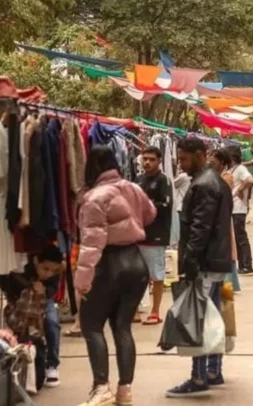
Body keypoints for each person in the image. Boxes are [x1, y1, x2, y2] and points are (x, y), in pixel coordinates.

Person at [74, 145, 157, 406]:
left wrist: (81, 282)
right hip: (135, 262)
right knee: (122, 327)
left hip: (108, 264)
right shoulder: (132, 188)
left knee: (91, 325)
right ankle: (124, 390)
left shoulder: (94, 198)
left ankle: (101, 388)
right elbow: (151, 213)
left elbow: (91, 244)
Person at [167, 137, 233, 398]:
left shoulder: (204, 184)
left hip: (205, 262)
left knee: (200, 318)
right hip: (214, 260)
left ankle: (199, 376)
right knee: (212, 315)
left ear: (198, 154)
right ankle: (213, 370)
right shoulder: (214, 181)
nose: (181, 164)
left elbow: (200, 228)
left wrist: (190, 261)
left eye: (184, 158)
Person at [1, 244, 65, 388]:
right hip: (21, 299)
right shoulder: (22, 264)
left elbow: (53, 290)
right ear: (36, 261)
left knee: (52, 323)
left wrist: (44, 290)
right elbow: (8, 284)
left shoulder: (54, 273)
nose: (48, 274)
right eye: (45, 269)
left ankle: (52, 364)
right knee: (18, 324)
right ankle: (18, 362)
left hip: (44, 299)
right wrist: (28, 289)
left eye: (53, 271)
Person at [136, 146, 174, 326]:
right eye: (145, 159)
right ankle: (135, 310)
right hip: (138, 235)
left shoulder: (163, 180)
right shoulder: (138, 179)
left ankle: (155, 311)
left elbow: (165, 205)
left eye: (151, 159)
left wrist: (145, 205)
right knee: (136, 275)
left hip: (156, 236)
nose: (147, 162)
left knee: (156, 275)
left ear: (159, 161)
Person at [209, 148, 241, 293]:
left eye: (214, 160)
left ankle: (228, 284)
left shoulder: (226, 177)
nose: (210, 162)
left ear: (222, 163)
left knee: (226, 248)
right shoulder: (212, 176)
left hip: (223, 218)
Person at [229, 147, 253, 276]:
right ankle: (242, 265)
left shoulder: (240, 169)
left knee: (241, 237)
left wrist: (240, 190)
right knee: (237, 237)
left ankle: (247, 265)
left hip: (238, 208)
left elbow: (250, 180)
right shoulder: (233, 169)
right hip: (234, 207)